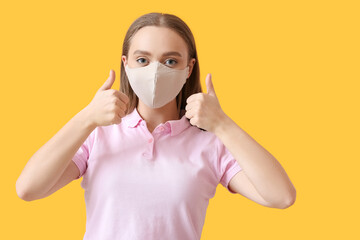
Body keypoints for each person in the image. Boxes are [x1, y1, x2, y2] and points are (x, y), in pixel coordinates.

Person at [16, 12, 296, 240]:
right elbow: (28, 189)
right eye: (142, 60)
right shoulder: (98, 134)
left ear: (189, 68)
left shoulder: (210, 145)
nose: (155, 71)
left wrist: (223, 125)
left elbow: (281, 196)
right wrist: (86, 118)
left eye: (170, 61)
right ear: (126, 65)